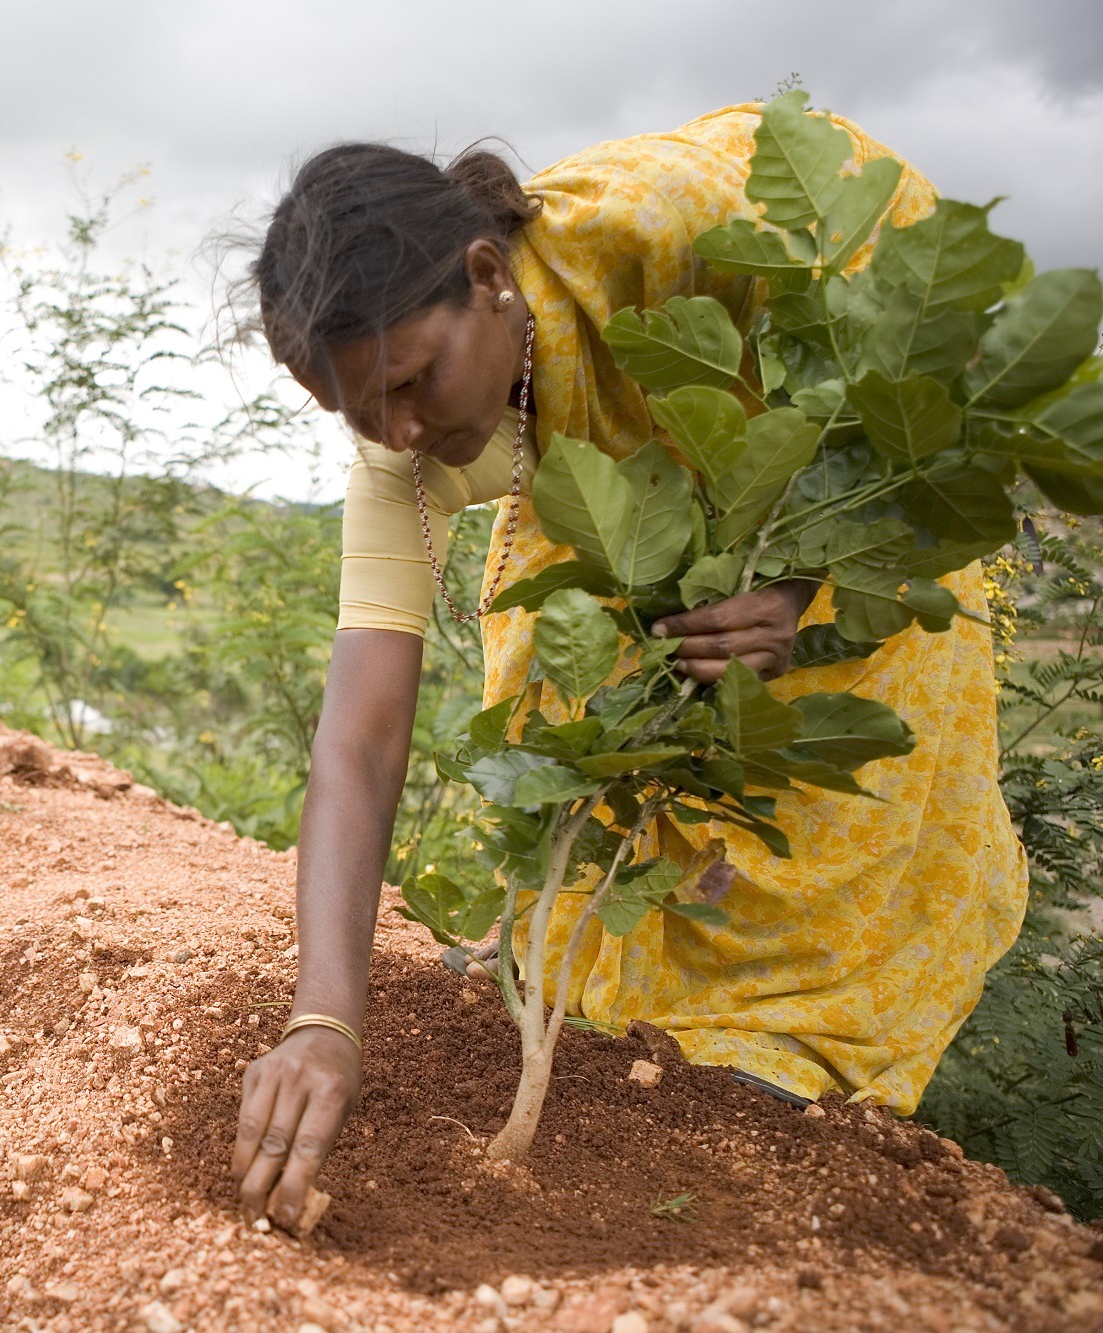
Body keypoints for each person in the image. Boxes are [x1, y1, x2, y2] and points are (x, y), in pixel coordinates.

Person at [229, 104, 1026, 1231]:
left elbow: (921, 361)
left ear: (484, 274)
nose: (398, 432)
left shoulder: (671, 226)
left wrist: (795, 584)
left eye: (412, 382)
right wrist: (324, 1018)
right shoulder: (402, 449)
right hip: (646, 552)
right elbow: (358, 736)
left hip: (849, 541)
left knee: (801, 887)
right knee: (602, 842)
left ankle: (787, 1133)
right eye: (363, 413)